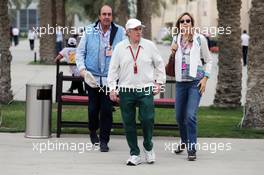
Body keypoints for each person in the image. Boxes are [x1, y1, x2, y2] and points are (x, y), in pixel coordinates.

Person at [107, 18, 166, 166]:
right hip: (126, 90)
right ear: (128, 32)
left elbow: (159, 65)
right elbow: (113, 70)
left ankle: (148, 146)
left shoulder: (149, 46)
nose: (139, 32)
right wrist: (112, 88)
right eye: (136, 29)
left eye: (140, 29)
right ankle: (134, 154)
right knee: (128, 123)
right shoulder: (120, 48)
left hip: (145, 89)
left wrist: (159, 83)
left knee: (147, 119)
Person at [76, 5, 125, 152]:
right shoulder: (89, 30)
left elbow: (124, 52)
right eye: (104, 14)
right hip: (92, 78)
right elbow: (80, 53)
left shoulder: (120, 31)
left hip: (110, 80)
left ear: (112, 16)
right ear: (99, 16)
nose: (107, 17)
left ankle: (104, 141)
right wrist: (83, 70)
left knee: (106, 110)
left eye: (109, 14)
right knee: (92, 109)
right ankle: (92, 130)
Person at [171, 12, 212, 161]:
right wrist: (173, 51)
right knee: (179, 117)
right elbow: (172, 61)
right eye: (182, 21)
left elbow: (208, 60)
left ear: (192, 23)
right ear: (179, 25)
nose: (185, 23)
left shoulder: (200, 39)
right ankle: (183, 141)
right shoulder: (175, 39)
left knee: (190, 116)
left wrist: (206, 79)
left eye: (188, 21)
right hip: (181, 83)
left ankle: (192, 148)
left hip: (196, 82)